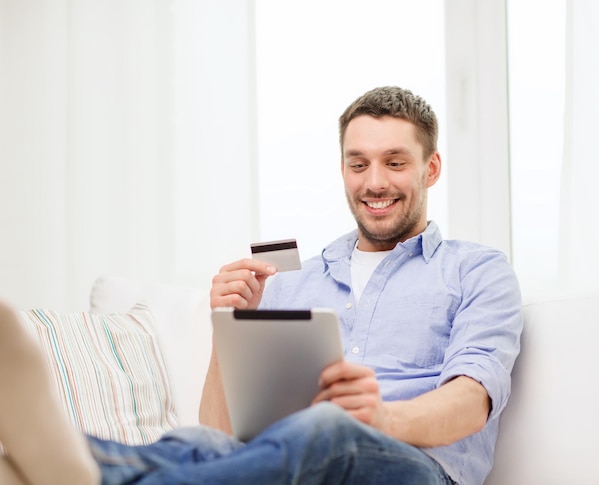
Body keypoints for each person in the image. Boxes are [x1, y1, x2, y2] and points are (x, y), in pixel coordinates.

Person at [0, 86, 522, 485]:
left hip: (417, 470)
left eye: (395, 162)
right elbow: (225, 434)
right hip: (291, 466)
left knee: (329, 428)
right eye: (358, 164)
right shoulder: (291, 277)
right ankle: (68, 461)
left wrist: (380, 417)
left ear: (431, 169)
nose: (374, 182)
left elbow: (471, 403)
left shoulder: (476, 269)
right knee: (197, 439)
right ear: (342, 169)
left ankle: (88, 467)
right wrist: (229, 328)